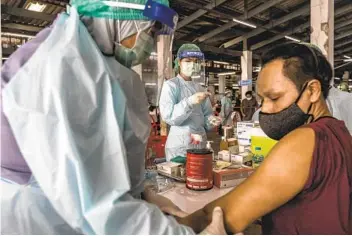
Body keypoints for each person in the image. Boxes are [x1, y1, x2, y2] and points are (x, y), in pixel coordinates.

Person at [0, 1, 225, 234]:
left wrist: (142, 194)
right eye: (149, 29)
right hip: (38, 218)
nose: (148, 41)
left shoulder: (92, 60)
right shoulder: (62, 65)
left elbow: (105, 160)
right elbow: (99, 207)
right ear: (119, 12)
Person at [167, 42, 352, 234]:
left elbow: (220, 215)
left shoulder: (304, 140)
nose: (264, 109)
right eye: (262, 99)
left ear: (312, 91)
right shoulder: (338, 131)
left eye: (274, 98)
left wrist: (162, 227)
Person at [159, 44, 220, 161]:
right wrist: (190, 102)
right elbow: (170, 117)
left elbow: (206, 116)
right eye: (188, 61)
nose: (192, 64)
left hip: (200, 144)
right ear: (178, 62)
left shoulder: (200, 88)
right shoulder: (171, 85)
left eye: (195, 61)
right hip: (180, 147)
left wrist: (212, 120)